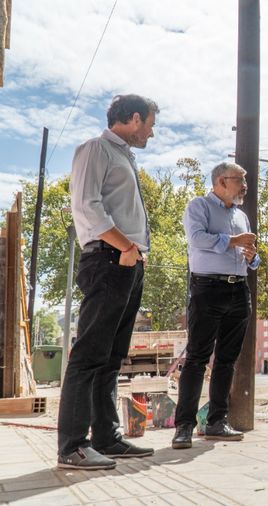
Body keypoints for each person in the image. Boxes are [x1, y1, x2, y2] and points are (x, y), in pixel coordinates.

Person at [58, 94, 158, 470]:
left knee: (111, 358)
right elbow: (87, 204)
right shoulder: (95, 149)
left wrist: (134, 253)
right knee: (89, 355)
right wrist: (125, 246)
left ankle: (106, 438)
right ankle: (72, 446)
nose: (151, 133)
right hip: (108, 259)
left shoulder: (125, 157)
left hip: (128, 263)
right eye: (150, 125)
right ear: (134, 118)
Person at [172, 162, 259, 449]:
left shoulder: (241, 216)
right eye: (240, 180)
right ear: (222, 181)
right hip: (207, 288)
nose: (244, 185)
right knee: (197, 358)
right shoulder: (199, 206)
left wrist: (252, 257)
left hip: (239, 290)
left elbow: (249, 254)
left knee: (226, 360)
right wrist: (233, 241)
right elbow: (197, 239)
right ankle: (184, 426)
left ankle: (217, 422)